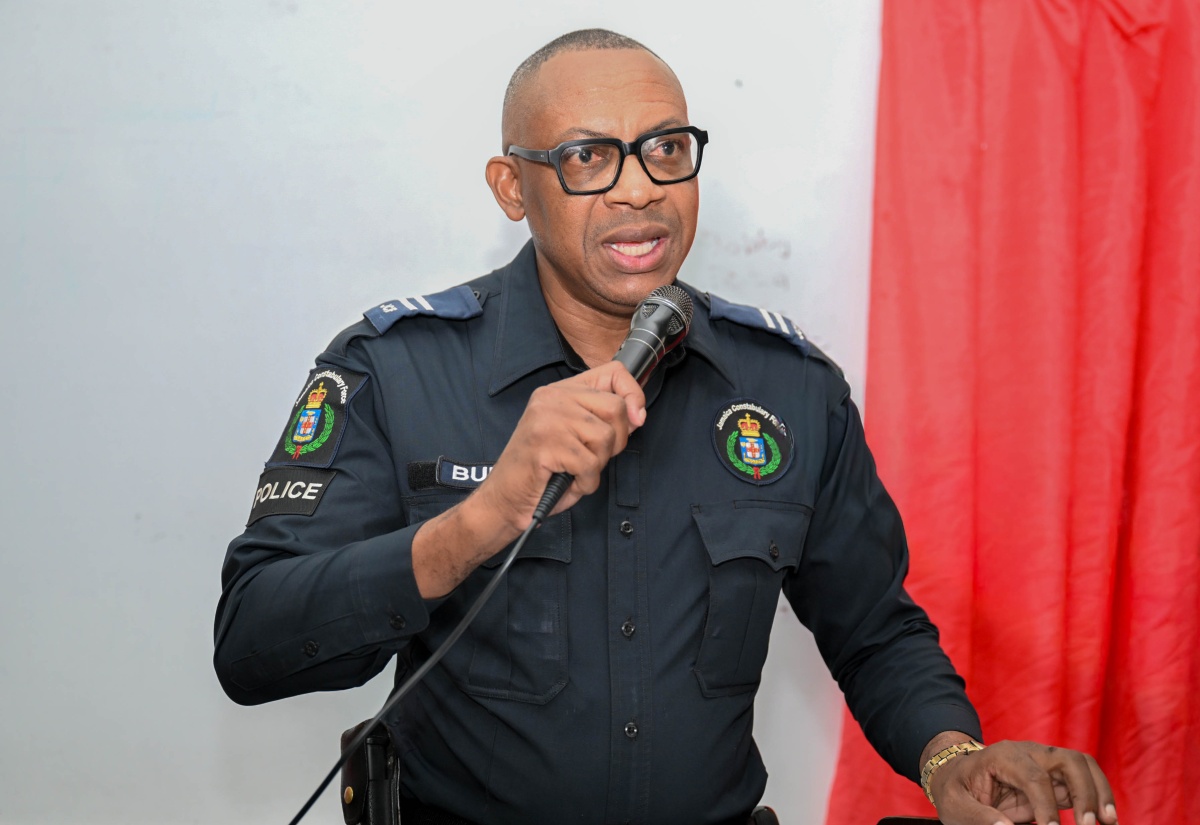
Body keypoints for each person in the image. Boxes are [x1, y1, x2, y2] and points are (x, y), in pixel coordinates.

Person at [214, 29, 1118, 825]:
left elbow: (874, 629)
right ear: (511, 187)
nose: (638, 191)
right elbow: (252, 642)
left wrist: (952, 758)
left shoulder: (788, 388)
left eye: (665, 148)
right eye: (586, 159)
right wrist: (479, 520)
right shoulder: (395, 365)